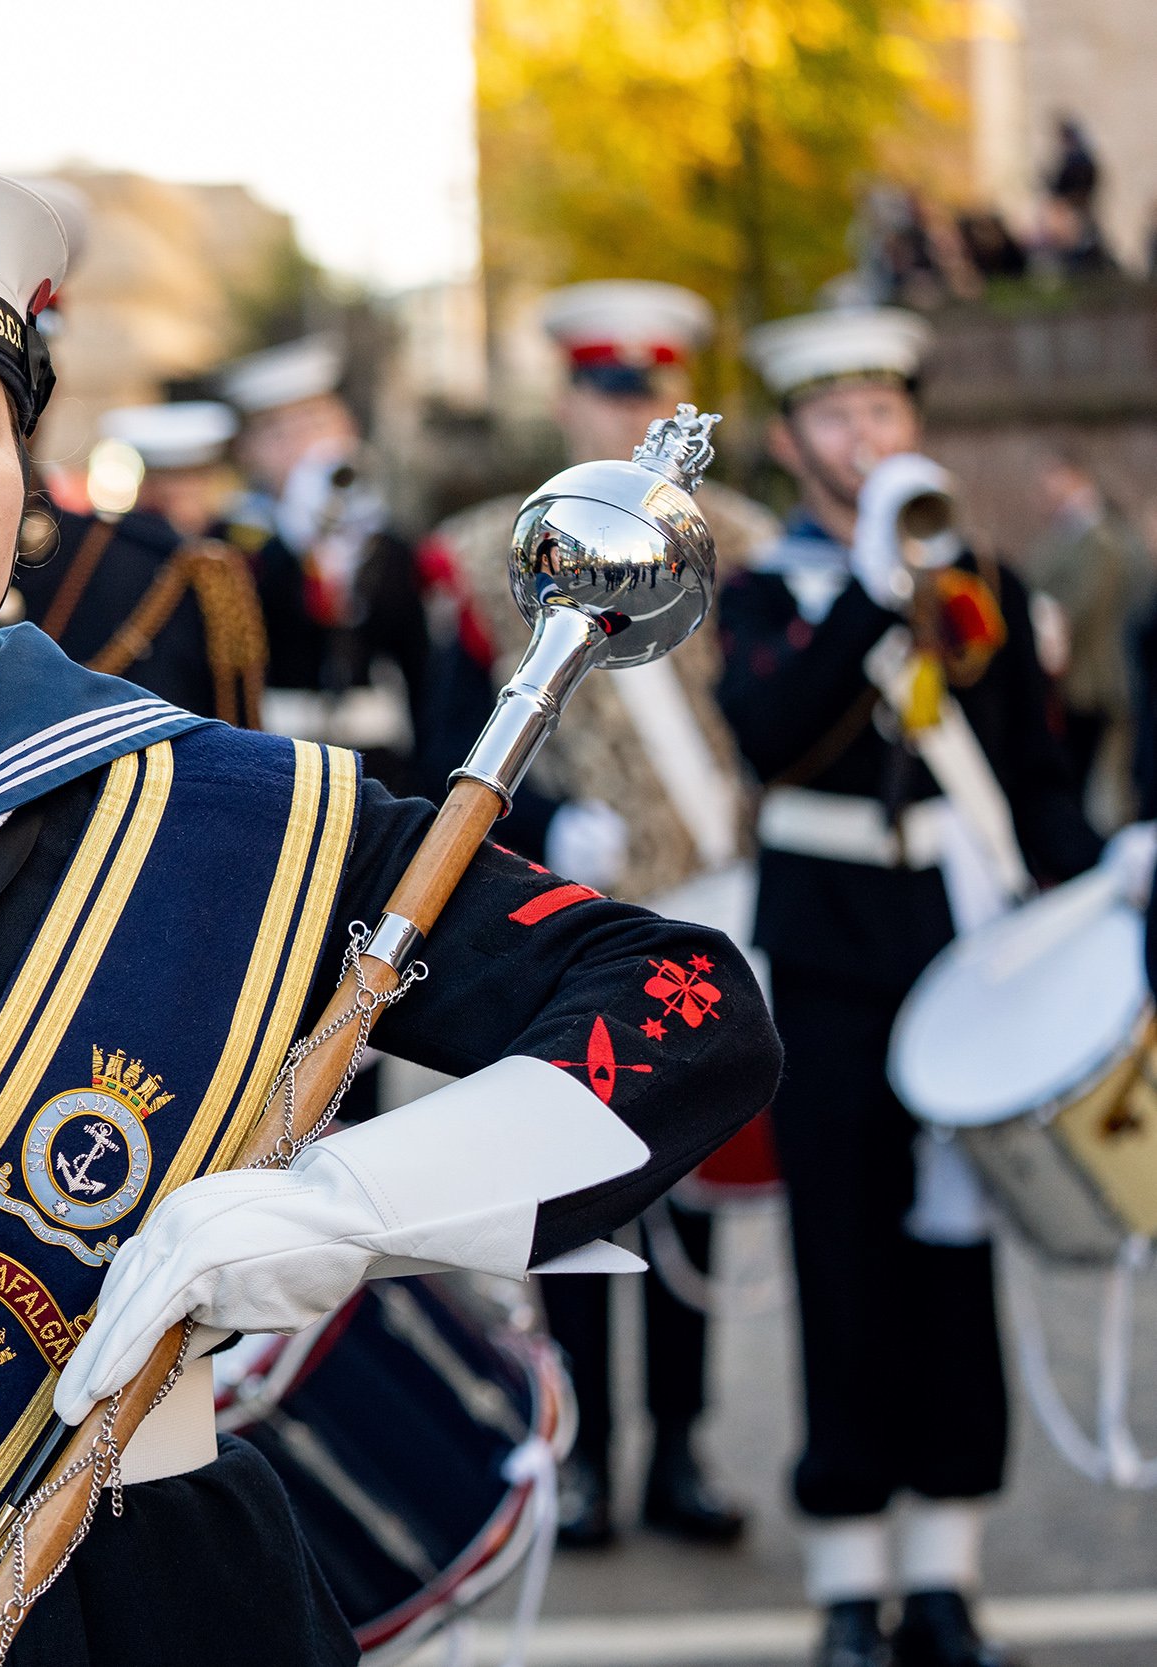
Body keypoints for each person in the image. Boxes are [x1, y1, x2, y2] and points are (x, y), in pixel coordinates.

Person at [0, 158, 779, 1667]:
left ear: (20, 486)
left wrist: (343, 1211)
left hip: (173, 1604)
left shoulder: (240, 814)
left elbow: (688, 1011)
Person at [725, 305, 1105, 1667]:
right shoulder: (773, 590)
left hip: (965, 951)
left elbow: (1035, 784)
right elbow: (768, 735)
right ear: (791, 441)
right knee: (844, 1257)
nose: (866, 439)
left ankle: (943, 1575)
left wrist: (1103, 893)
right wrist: (878, 593)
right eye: (837, 419)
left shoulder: (980, 586)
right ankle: (847, 1578)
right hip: (831, 961)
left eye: (886, 415)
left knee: (955, 1261)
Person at [418, 279, 777, 1550]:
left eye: (642, 391)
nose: (619, 411)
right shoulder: (490, 549)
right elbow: (444, 748)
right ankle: (577, 1450)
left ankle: (678, 1446)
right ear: (567, 395)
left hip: (715, 897)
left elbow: (775, 725)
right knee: (572, 1190)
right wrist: (534, 844)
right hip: (573, 920)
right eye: (601, 389)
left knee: (684, 1185)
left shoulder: (735, 536)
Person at [217, 334, 429, 790]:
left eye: (314, 423)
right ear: (247, 452)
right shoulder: (229, 544)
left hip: (379, 769)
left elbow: (421, 668)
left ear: (347, 428)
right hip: (270, 766)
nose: (299, 446)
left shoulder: (386, 544)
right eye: (276, 433)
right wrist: (296, 543)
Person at [14, 401, 265, 723]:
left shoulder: (176, 561)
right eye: (168, 480)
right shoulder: (106, 548)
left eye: (194, 478)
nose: (181, 494)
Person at [1020, 446, 1149, 823]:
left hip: (1087, 683)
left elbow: (1080, 608)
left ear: (1074, 478)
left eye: (1051, 480)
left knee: (1083, 785)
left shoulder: (1099, 537)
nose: (1043, 491)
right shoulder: (1071, 533)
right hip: (1072, 681)